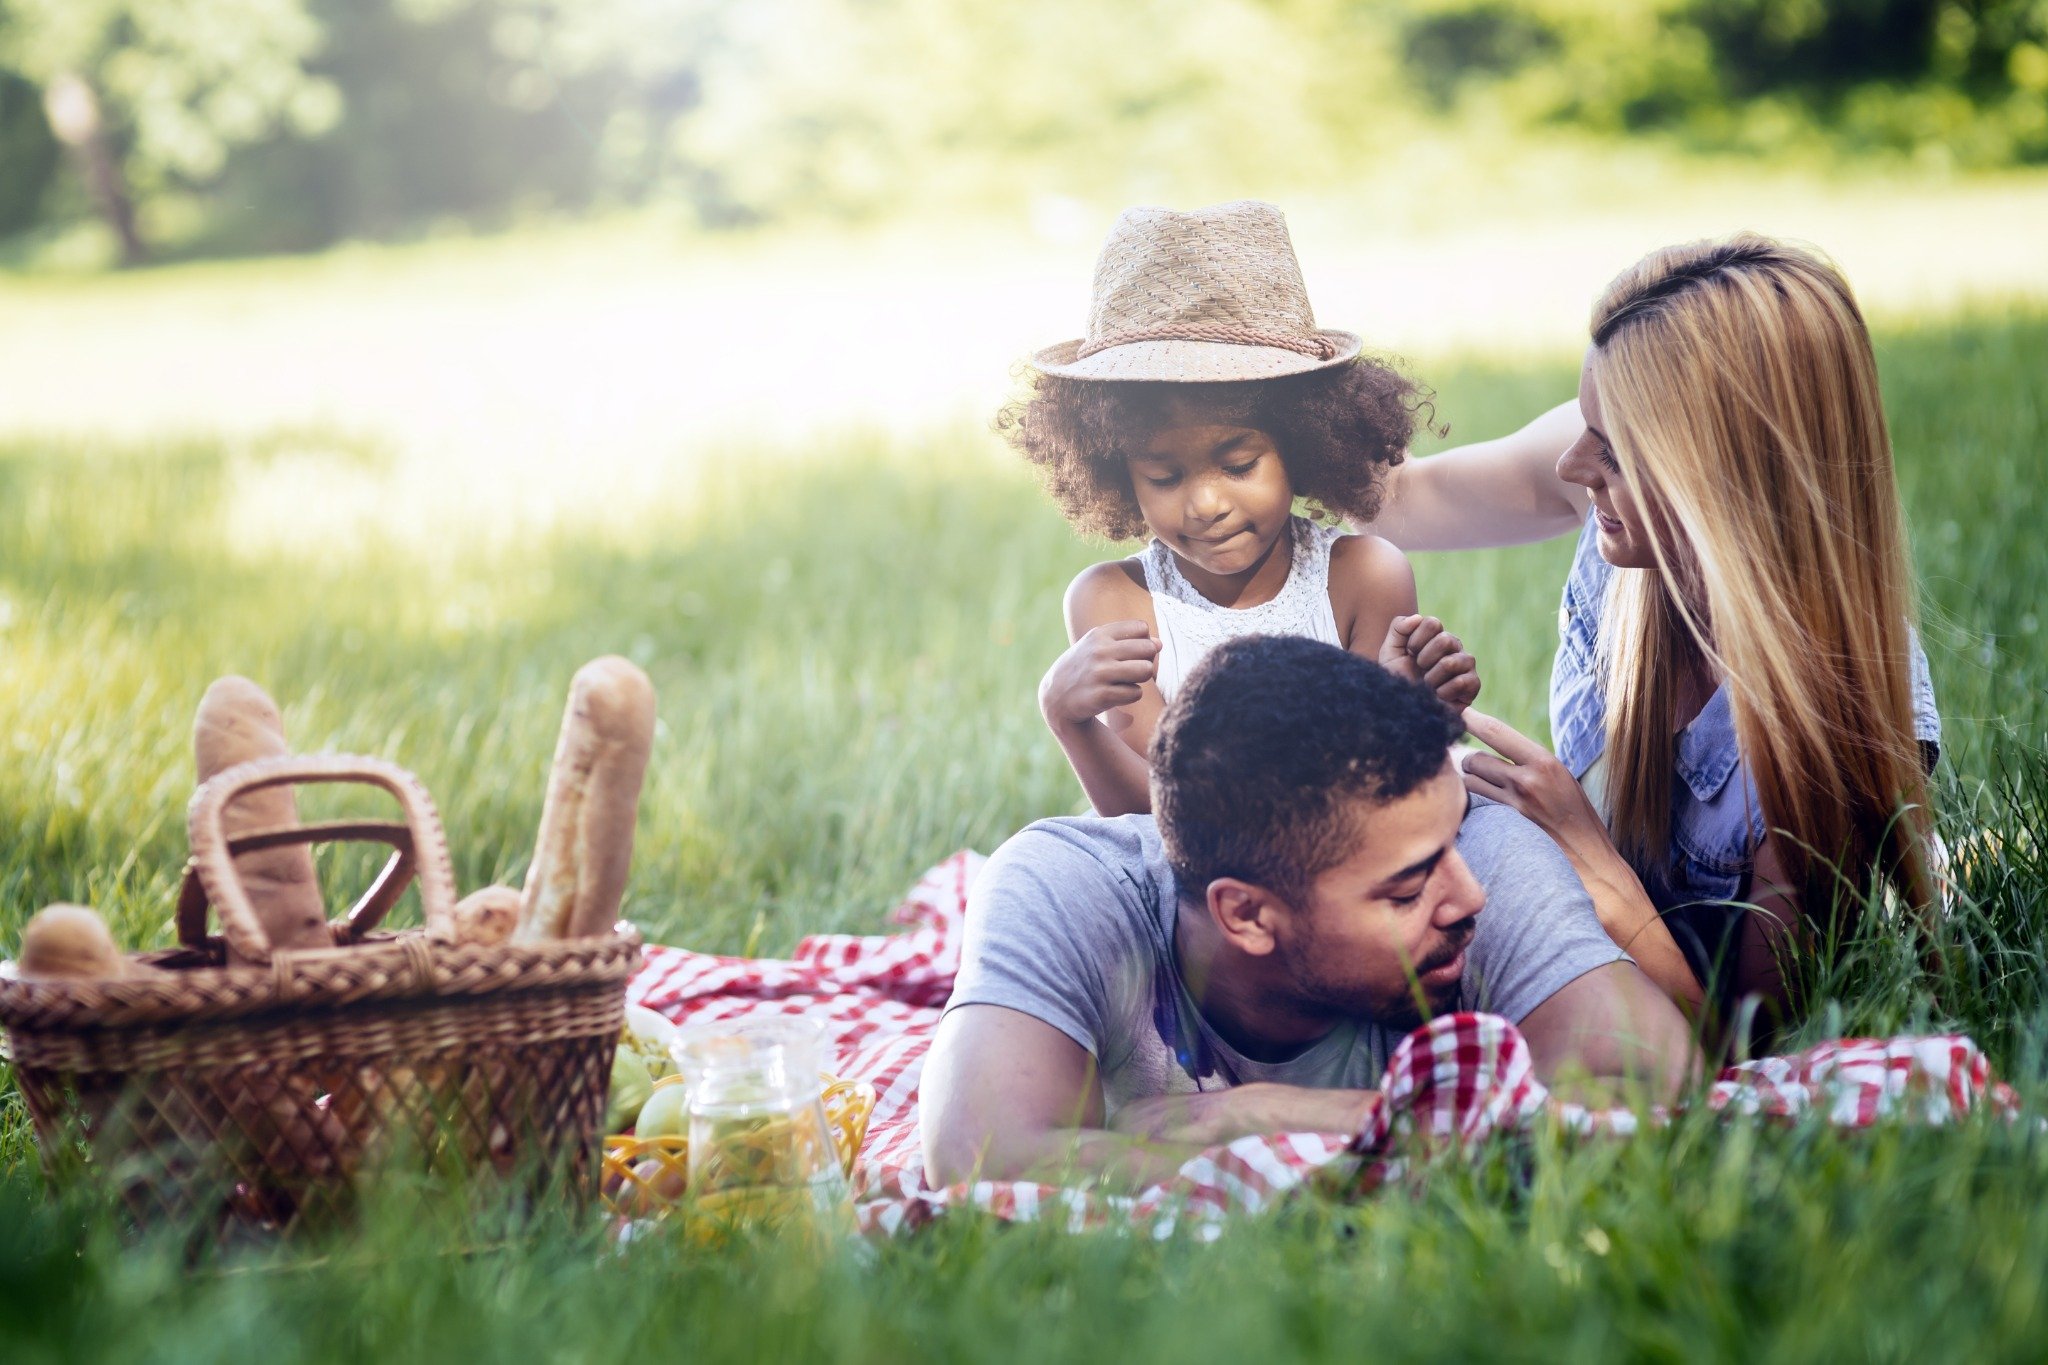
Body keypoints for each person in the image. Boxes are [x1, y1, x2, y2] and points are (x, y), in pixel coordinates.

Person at [1359, 234, 1942, 1023]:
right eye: (1585, 424)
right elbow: (1393, 501)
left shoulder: (1827, 737)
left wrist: (1589, 859)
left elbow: (1741, 1047)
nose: (1570, 465)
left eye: (1616, 451)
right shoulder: (1626, 521)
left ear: (1727, 479)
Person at [920, 636, 1695, 1190]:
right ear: (1247, 915)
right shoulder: (1069, 887)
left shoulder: (1476, 850)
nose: (1469, 897)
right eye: (1405, 890)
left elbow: (1655, 1083)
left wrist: (1272, 1115)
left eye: (1452, 841)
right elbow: (979, 1154)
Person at [998, 200, 1480, 818]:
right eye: (1164, 475)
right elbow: (1152, 818)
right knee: (1036, 864)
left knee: (1496, 820)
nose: (1205, 504)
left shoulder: (1362, 577)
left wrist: (1420, 718)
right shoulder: (1114, 601)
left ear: (1305, 445)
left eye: (1239, 465)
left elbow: (1371, 799)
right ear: (1118, 472)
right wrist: (1070, 721)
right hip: (1186, 870)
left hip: (1348, 854)